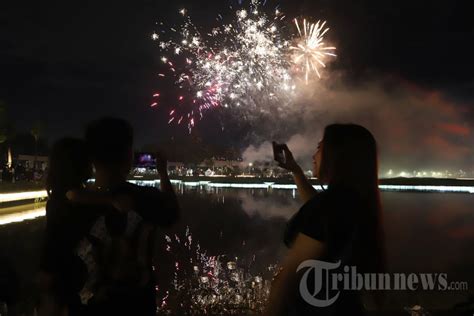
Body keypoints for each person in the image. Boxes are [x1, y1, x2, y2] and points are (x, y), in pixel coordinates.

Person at [265, 124, 385, 316]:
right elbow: (319, 211)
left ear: (337, 155)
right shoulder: (352, 200)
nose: (314, 156)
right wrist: (296, 170)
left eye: (320, 148)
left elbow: (290, 277)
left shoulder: (331, 205)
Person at [66, 117, 179, 316]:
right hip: (137, 305)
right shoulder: (145, 198)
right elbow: (172, 213)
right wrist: (163, 174)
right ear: (128, 156)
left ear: (92, 158)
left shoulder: (72, 202)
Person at [39, 138, 97, 316]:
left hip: (68, 282)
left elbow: (52, 245)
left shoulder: (59, 201)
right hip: (79, 282)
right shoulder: (84, 200)